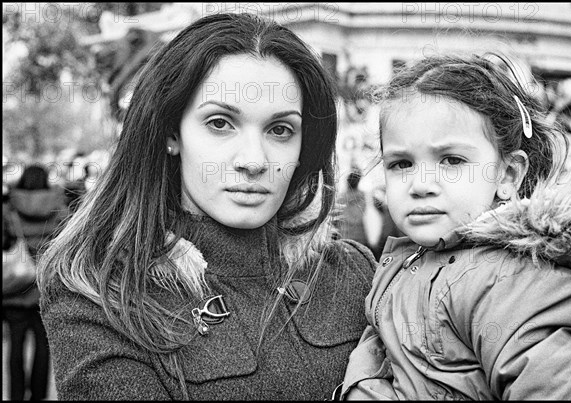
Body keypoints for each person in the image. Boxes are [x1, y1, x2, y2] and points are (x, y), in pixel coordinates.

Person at [37, 12, 376, 400]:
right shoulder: (101, 294)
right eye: (220, 123)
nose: (253, 160)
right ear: (171, 132)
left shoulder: (354, 272)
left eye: (280, 130)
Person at [338, 53, 571, 400]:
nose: (420, 184)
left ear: (507, 175)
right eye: (402, 163)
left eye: (451, 160)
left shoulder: (509, 284)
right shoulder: (401, 264)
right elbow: (375, 352)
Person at [3, 164, 69, 400]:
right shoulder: (59, 209)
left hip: (14, 286)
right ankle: (39, 394)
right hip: (45, 290)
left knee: (16, 345)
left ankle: (16, 394)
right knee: (43, 345)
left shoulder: (8, 209)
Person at [335, 168, 369, 246]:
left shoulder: (341, 197)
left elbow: (337, 217)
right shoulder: (363, 196)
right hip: (359, 234)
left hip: (346, 234)